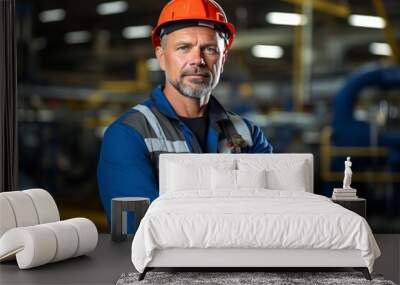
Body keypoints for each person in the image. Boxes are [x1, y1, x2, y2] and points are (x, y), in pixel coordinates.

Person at [97, 0, 273, 223]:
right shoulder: (128, 135)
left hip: (238, 258)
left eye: (209, 49)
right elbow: (142, 228)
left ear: (223, 59)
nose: (197, 60)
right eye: (184, 48)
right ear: (161, 57)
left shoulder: (248, 134)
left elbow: (270, 216)